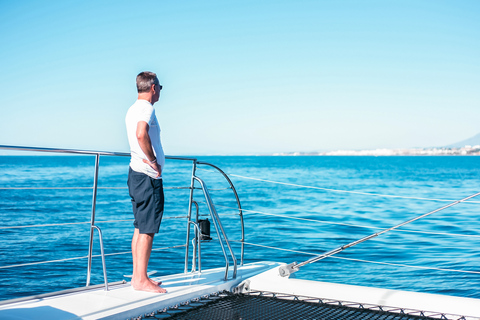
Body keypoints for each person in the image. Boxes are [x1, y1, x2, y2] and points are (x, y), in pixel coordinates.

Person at [125, 71, 166, 293]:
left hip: (136, 174)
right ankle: (141, 280)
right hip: (147, 176)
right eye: (160, 87)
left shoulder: (133, 109)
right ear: (153, 87)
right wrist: (153, 161)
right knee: (147, 228)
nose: (160, 91)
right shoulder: (146, 108)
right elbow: (142, 134)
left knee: (140, 227)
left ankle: (138, 276)